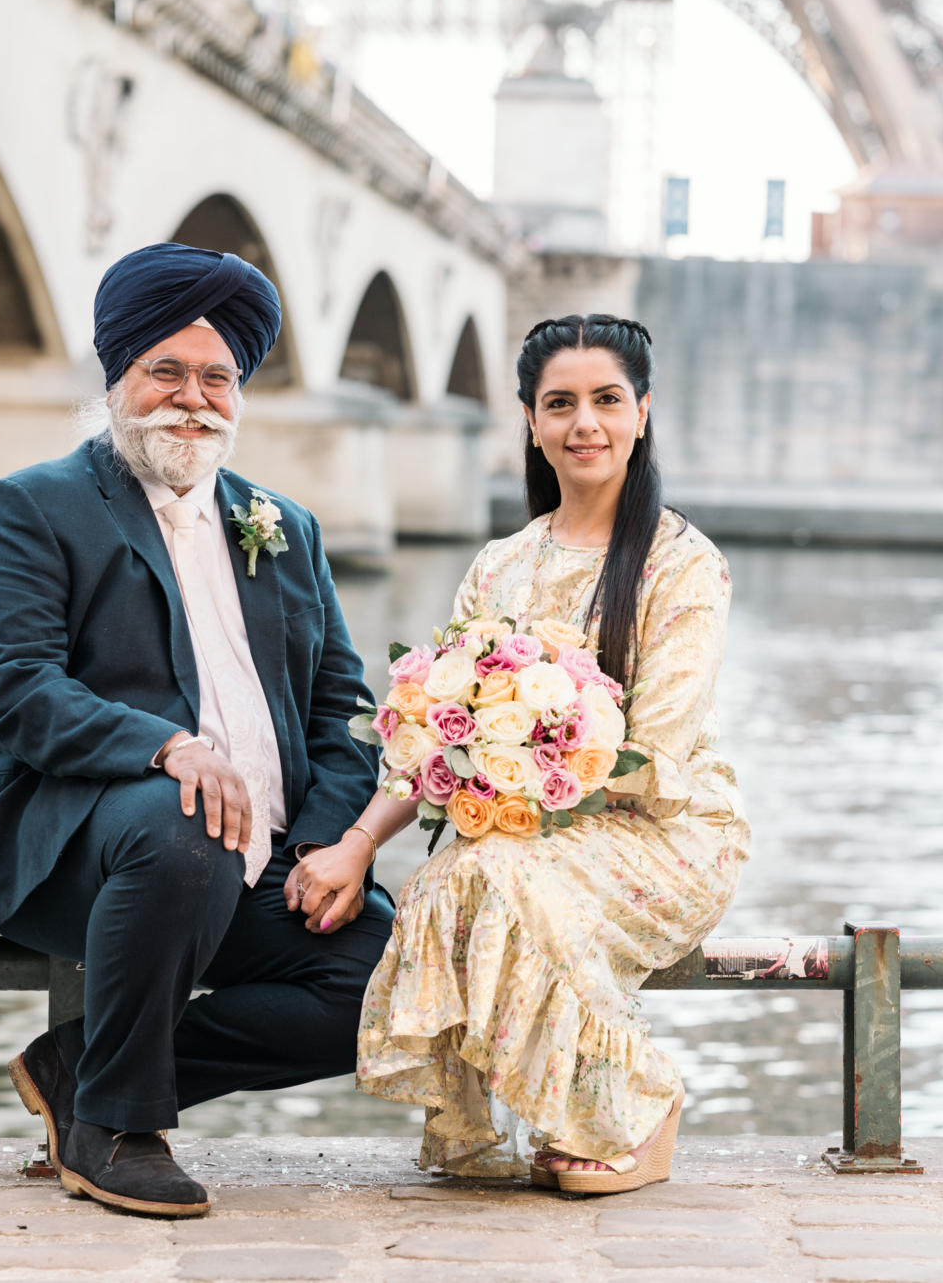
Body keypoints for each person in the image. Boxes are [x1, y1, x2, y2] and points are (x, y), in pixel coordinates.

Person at [0, 242, 392, 1217]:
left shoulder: (283, 525)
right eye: (165, 372)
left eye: (216, 376)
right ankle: (115, 1127)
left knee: (391, 977)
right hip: (81, 845)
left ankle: (79, 1069)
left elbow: (344, 711)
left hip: (258, 858)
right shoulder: (29, 507)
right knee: (189, 829)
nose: (193, 397)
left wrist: (328, 845)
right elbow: (11, 689)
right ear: (118, 380)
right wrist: (167, 744)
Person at [300, 313, 750, 1194]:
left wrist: (518, 786)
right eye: (560, 404)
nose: (585, 423)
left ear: (642, 412)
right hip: (522, 828)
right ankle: (556, 1113)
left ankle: (637, 1105)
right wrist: (357, 843)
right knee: (447, 877)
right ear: (531, 421)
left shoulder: (681, 564)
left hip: (666, 827)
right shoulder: (500, 564)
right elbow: (433, 737)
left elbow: (652, 754)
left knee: (489, 873)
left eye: (606, 400)